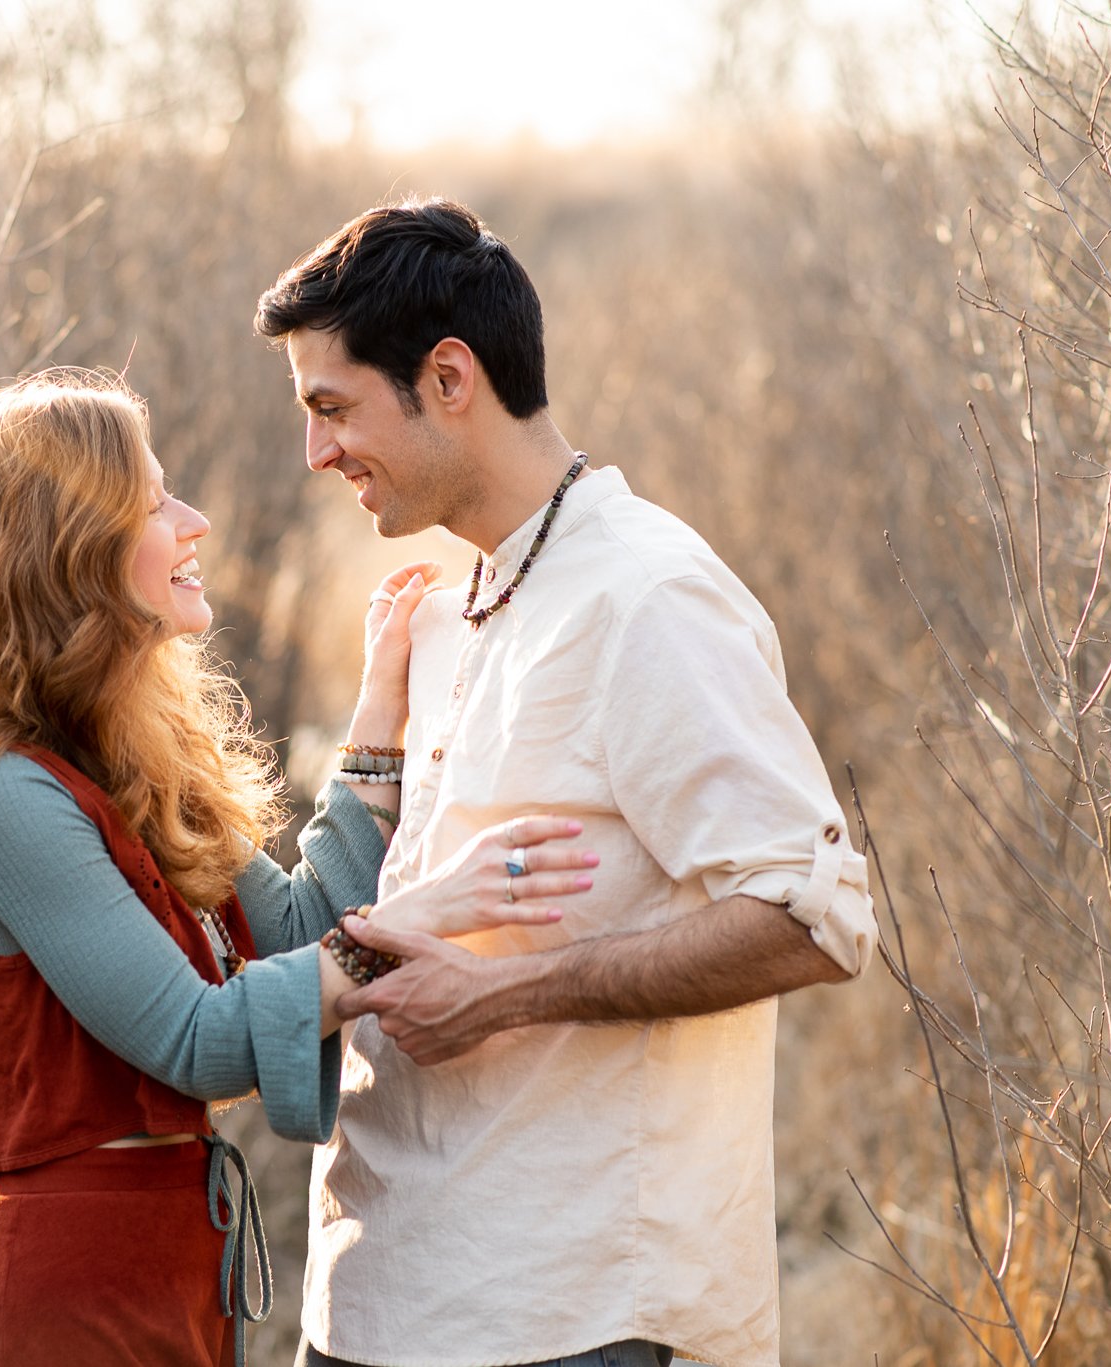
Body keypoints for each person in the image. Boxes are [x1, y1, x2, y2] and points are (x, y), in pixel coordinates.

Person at [0, 369, 601, 1367]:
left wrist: (377, 716)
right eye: (153, 502)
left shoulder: (128, 761)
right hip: (70, 1307)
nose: (192, 521)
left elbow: (293, 933)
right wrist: (427, 908)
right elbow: (194, 1037)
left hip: (176, 1282)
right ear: (66, 548)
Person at [252, 201, 879, 1367]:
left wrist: (505, 995)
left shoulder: (646, 596)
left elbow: (814, 912)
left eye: (331, 408)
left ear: (448, 377)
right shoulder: (452, 605)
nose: (315, 453)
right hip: (375, 1297)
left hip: (559, 1313)